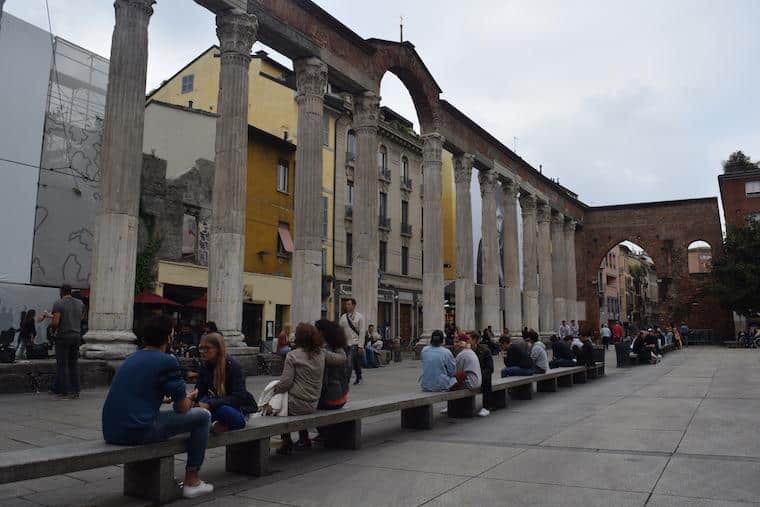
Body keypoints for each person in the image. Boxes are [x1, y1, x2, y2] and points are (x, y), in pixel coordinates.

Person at [102, 315, 214, 499]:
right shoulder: (167, 361)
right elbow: (183, 408)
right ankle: (192, 480)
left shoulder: (132, 358)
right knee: (203, 417)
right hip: (138, 429)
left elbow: (138, 392)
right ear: (168, 337)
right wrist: (191, 398)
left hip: (112, 430)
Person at [275, 323, 343, 454]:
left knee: (277, 405)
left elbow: (285, 384)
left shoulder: (292, 355)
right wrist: (337, 342)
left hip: (296, 404)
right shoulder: (321, 353)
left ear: (299, 338)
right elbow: (342, 359)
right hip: (313, 403)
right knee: (288, 403)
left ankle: (286, 442)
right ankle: (304, 438)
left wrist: (274, 390)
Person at [193, 332, 257, 434]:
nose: (202, 352)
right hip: (214, 403)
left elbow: (238, 397)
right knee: (194, 409)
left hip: (236, 408)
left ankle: (215, 424)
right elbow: (200, 392)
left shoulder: (234, 367)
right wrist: (192, 399)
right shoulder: (205, 366)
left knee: (223, 410)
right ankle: (215, 424)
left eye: (207, 348)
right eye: (201, 348)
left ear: (218, 349)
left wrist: (209, 404)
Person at [48, 284, 85, 399]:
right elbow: (82, 317)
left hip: (63, 335)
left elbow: (55, 322)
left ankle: (63, 391)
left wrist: (52, 331)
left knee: (62, 365)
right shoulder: (80, 303)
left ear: (61, 291)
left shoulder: (58, 303)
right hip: (76, 335)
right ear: (71, 291)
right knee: (73, 364)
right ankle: (76, 390)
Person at [316, 319, 350, 410]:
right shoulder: (338, 347)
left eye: (316, 331)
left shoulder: (324, 351)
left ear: (321, 332)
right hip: (343, 397)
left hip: (330, 400)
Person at [339, 298, 365, 385]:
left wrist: (361, 346)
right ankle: (359, 376)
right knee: (356, 362)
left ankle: (346, 381)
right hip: (345, 343)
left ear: (354, 305)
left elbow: (362, 332)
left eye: (349, 304)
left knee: (349, 361)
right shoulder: (343, 317)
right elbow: (340, 330)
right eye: (346, 304)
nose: (347, 306)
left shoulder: (360, 317)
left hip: (355, 343)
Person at [473, 332, 494, 415]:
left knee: (487, 380)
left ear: (475, 340)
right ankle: (453, 405)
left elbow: (490, 369)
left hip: (482, 376)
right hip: (471, 376)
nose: (467, 342)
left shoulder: (485, 350)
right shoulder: (466, 350)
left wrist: (480, 375)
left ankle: (486, 407)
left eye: (469, 339)